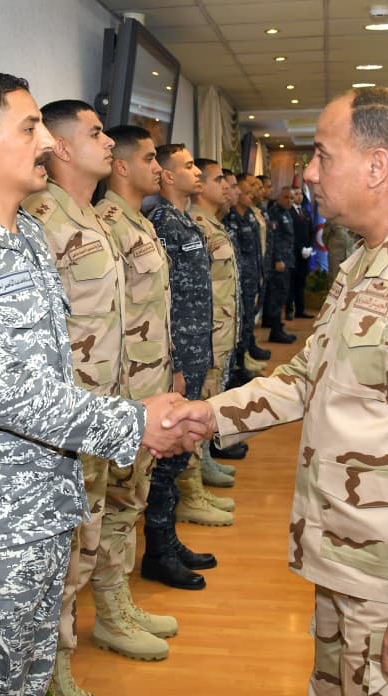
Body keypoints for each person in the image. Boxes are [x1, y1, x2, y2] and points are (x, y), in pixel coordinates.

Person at [182, 86, 388, 695]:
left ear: (376, 166)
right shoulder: (368, 259)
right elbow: (307, 377)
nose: (308, 172)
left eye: (322, 155)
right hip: (350, 562)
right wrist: (205, 417)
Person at [0, 73, 203, 696]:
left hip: (46, 501)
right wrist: (132, 422)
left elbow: (52, 369)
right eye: (29, 128)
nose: (47, 142)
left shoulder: (26, 237)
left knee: (30, 672)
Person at [22, 101, 169, 695]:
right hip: (72, 416)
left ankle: (109, 613)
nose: (109, 142)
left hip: (110, 405)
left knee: (100, 528)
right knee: (67, 547)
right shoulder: (41, 218)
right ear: (61, 147)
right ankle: (54, 668)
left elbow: (118, 319)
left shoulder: (93, 217)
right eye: (95, 133)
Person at [93, 122, 182, 668]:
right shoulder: (106, 225)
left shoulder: (139, 222)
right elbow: (105, 324)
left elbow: (149, 313)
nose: (159, 168)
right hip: (123, 395)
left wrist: (170, 372)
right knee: (115, 505)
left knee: (130, 503)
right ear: (122, 166)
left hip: (149, 385)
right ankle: (109, 612)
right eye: (150, 159)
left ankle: (119, 600)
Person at [143, 143, 219, 590]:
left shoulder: (183, 221)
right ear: (168, 176)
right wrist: (172, 360)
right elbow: (161, 299)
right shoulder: (162, 223)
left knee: (177, 457)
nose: (197, 173)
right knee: (166, 459)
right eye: (188, 166)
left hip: (193, 350)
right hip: (177, 356)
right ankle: (158, 551)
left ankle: (168, 540)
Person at [174, 159, 240, 519]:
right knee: (198, 409)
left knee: (210, 402)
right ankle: (191, 490)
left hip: (217, 332)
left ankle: (203, 467)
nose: (226, 186)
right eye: (219, 180)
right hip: (201, 337)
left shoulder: (207, 223)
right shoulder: (192, 224)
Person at [224, 174, 269, 364]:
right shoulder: (229, 218)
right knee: (240, 322)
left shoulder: (250, 215)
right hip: (239, 281)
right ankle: (239, 363)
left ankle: (243, 357)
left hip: (253, 275)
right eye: (246, 190)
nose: (250, 194)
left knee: (248, 318)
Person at [263, 186, 298, 344]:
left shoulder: (287, 213)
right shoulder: (274, 213)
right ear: (279, 197)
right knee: (276, 295)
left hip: (287, 259)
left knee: (283, 294)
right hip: (279, 261)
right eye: (286, 197)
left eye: (291, 198)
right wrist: (277, 259)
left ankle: (278, 327)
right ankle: (275, 331)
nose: (289, 201)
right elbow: (273, 238)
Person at [286, 186, 315, 321]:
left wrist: (310, 247)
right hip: (293, 253)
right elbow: (290, 234)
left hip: (306, 254)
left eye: (300, 194)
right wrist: (300, 248)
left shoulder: (306, 211)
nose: (299, 196)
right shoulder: (288, 212)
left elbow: (311, 231)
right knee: (291, 284)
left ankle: (300, 310)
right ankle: (289, 310)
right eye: (296, 194)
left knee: (301, 283)